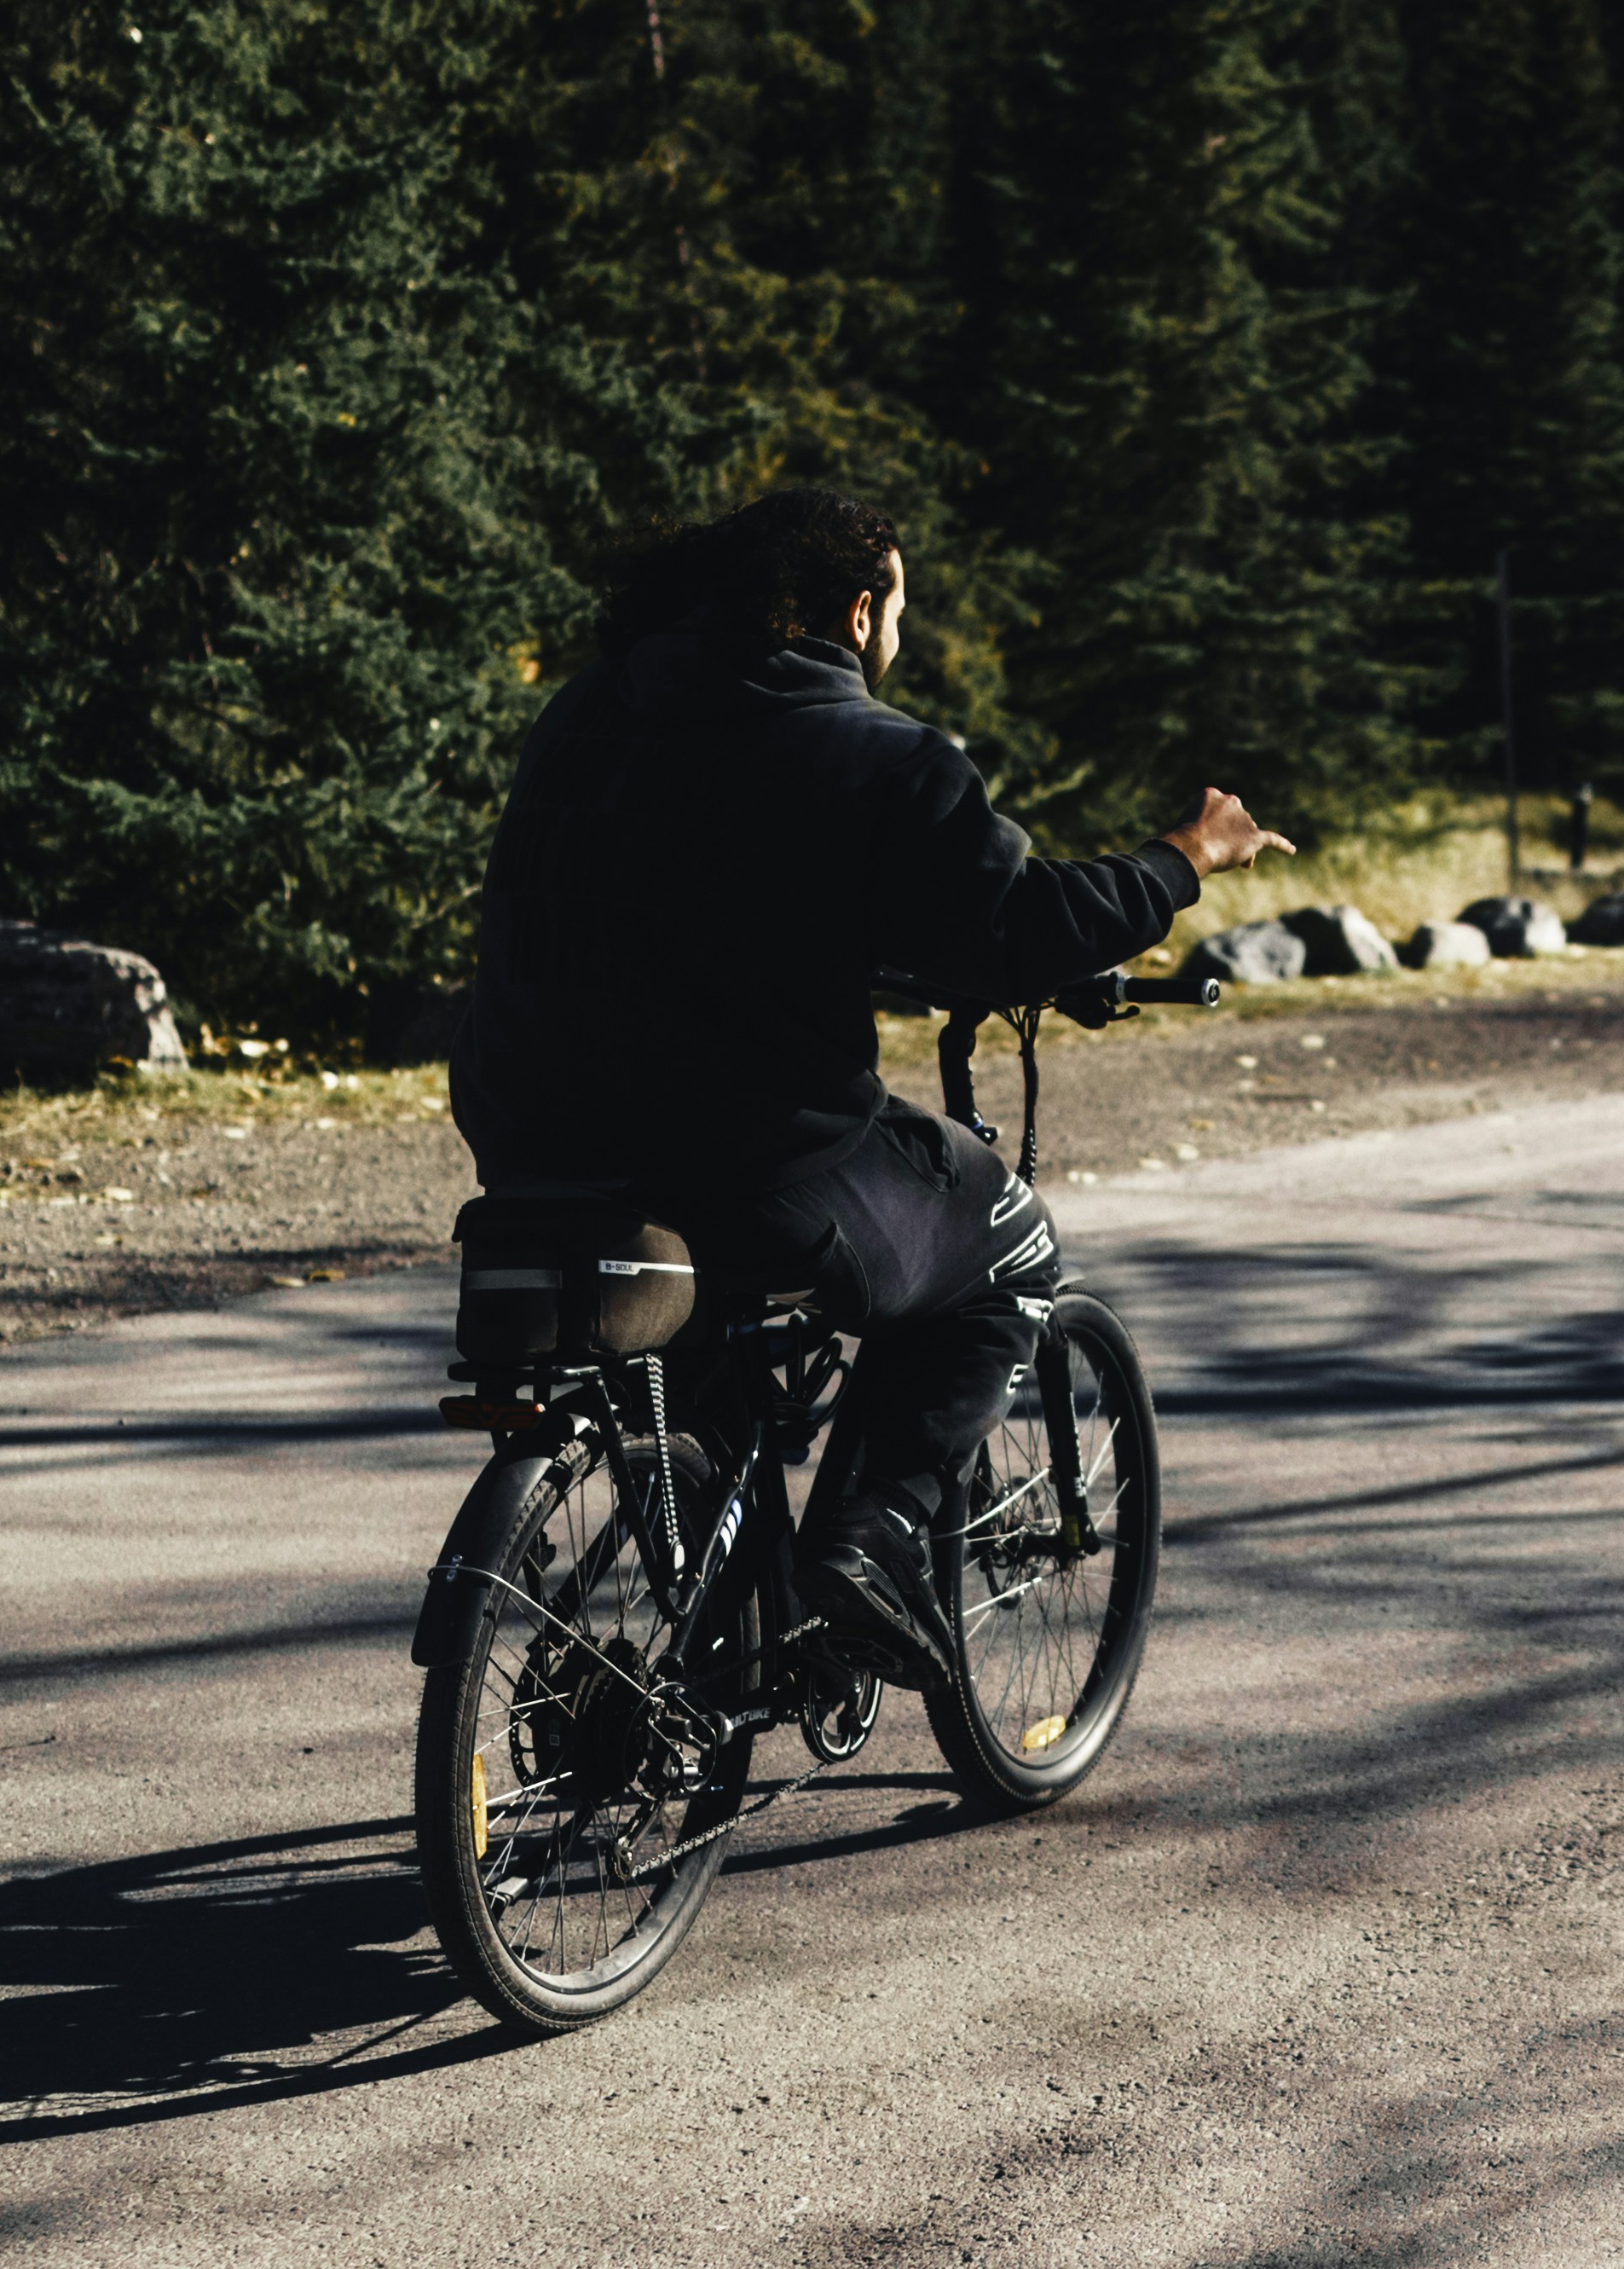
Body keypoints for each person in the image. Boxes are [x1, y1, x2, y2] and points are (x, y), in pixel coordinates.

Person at [454, 472, 1285, 1675]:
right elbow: (1008, 928)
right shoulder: (875, 751)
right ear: (856, 613)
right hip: (745, 1160)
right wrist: (1184, 857)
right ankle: (871, 1537)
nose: (900, 637)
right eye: (898, 611)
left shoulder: (588, 713)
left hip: (532, 1137)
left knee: (708, 1379)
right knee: (1006, 1240)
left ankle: (712, 1640)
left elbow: (703, 897)